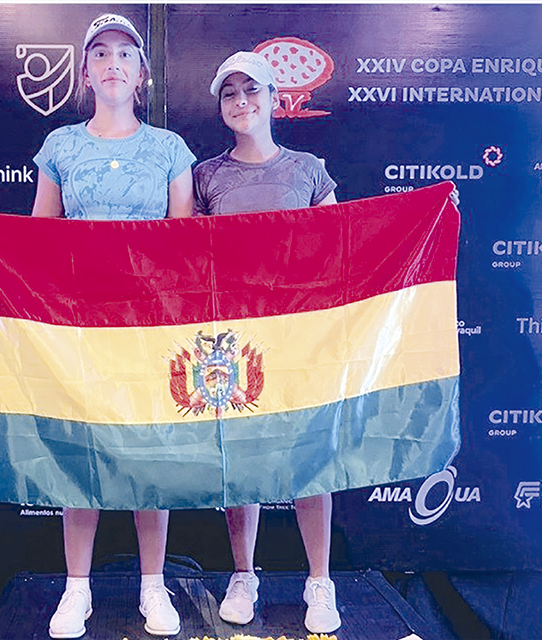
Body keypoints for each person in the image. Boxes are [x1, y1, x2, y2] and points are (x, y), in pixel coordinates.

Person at [0, 14, 194, 639]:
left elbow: (184, 248)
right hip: (75, 326)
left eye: (126, 54)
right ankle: (78, 590)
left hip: (147, 327)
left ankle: (153, 588)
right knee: (82, 455)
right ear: (85, 73)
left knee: (146, 454)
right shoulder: (61, 146)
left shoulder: (170, 149)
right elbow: (34, 239)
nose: (113, 64)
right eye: (100, 53)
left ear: (143, 74)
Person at [193, 51, 341, 635]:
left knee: (310, 459)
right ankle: (244, 574)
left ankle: (319, 581)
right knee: (243, 460)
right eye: (229, 94)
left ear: (275, 97)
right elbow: (183, 256)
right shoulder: (206, 177)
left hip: (299, 332)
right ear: (221, 107)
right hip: (231, 338)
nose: (241, 103)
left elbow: (342, 245)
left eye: (250, 91)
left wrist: (424, 215)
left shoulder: (308, 168)